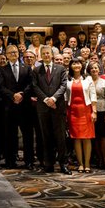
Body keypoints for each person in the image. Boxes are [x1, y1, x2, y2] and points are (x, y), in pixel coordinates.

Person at [34, 46, 71, 174]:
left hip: (58, 107)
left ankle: (63, 164)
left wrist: (54, 99)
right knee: (46, 137)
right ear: (40, 55)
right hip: (43, 108)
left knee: (60, 137)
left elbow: (63, 85)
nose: (46, 55)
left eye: (48, 53)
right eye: (43, 53)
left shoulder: (60, 69)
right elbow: (35, 87)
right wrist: (46, 100)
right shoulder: (36, 70)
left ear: (52, 55)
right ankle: (48, 164)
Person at [0, 44, 35, 170]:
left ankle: (29, 161)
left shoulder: (27, 68)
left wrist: (22, 95)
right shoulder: (2, 69)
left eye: (15, 52)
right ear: (6, 55)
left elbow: (31, 84)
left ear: (18, 53)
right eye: (10, 53)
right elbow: (1, 87)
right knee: (10, 135)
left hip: (25, 106)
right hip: (10, 106)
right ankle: (10, 161)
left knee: (27, 135)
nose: (13, 54)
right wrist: (13, 95)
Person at [66, 59, 96, 173]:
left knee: (87, 137)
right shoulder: (68, 78)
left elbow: (93, 95)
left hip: (86, 110)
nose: (76, 65)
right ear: (70, 66)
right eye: (74, 63)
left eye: (78, 63)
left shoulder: (87, 78)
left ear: (82, 65)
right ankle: (81, 164)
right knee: (76, 138)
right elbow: (65, 97)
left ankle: (87, 163)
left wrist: (94, 111)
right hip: (72, 110)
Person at [89, 62, 105, 170]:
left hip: (102, 111)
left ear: (99, 69)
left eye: (96, 68)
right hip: (90, 112)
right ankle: (99, 159)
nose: (94, 69)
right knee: (95, 137)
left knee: (103, 137)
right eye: (92, 68)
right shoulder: (86, 81)